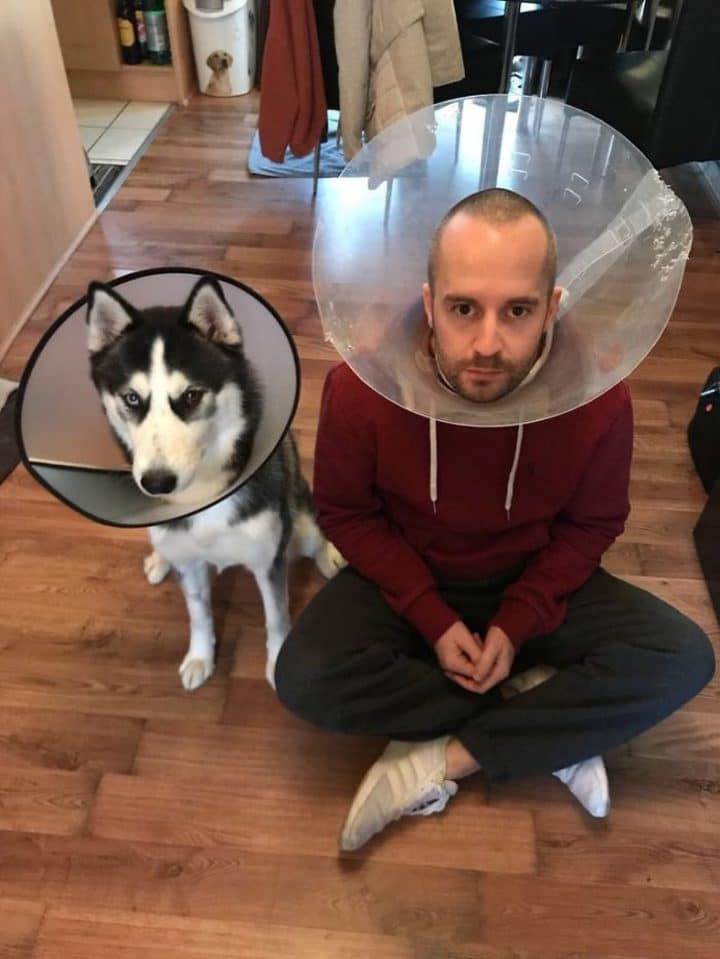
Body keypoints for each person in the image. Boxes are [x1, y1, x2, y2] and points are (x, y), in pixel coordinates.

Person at [274, 188, 715, 852]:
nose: (487, 343)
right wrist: (431, 616)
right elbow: (345, 511)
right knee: (304, 675)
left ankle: (446, 758)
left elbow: (594, 524)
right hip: (412, 572)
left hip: (533, 576)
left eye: (517, 311)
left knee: (682, 657)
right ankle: (548, 719)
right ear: (429, 304)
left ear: (551, 308)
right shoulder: (359, 388)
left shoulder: (598, 399)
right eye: (462, 309)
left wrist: (519, 618)